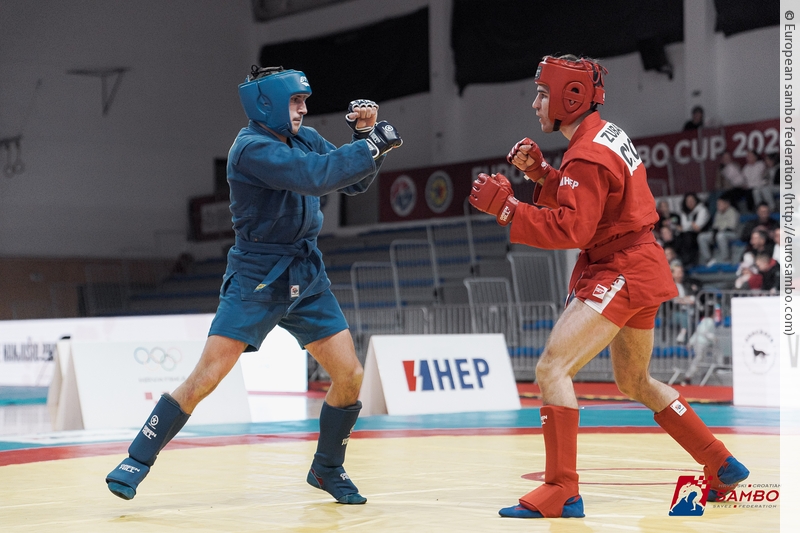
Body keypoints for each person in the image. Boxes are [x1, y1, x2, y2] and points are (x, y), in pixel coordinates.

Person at [105, 65, 403, 504]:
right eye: (296, 101)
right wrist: (372, 143)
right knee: (206, 378)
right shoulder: (250, 149)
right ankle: (136, 459)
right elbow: (315, 177)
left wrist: (364, 138)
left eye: (304, 101)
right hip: (257, 275)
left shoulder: (303, 138)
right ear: (267, 104)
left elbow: (353, 181)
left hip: (306, 272)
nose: (303, 110)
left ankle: (327, 469)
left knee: (350, 375)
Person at [468, 54, 748, 519]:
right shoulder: (605, 135)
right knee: (634, 380)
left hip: (620, 268)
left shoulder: (586, 152)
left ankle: (562, 489)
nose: (535, 103)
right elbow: (596, 204)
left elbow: (575, 227)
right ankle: (720, 462)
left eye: (542, 94)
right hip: (638, 263)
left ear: (570, 97)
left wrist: (509, 210)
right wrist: (542, 176)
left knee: (552, 368)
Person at [697, 196, 739, 265]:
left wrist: (718, 231)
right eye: (717, 204)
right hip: (718, 233)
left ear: (726, 204)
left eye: (720, 204)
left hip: (732, 234)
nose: (718, 206)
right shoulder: (718, 213)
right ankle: (709, 260)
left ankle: (726, 259)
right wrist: (715, 232)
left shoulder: (733, 211)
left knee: (720, 236)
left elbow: (730, 228)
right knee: (701, 237)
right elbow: (715, 227)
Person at [674, 192, 710, 267]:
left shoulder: (702, 210)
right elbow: (684, 227)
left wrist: (688, 225)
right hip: (688, 233)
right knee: (678, 237)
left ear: (696, 200)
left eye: (691, 200)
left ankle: (692, 262)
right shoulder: (684, 212)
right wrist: (691, 224)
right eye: (688, 201)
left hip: (701, 233)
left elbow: (697, 227)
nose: (690, 203)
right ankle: (682, 261)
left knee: (688, 237)